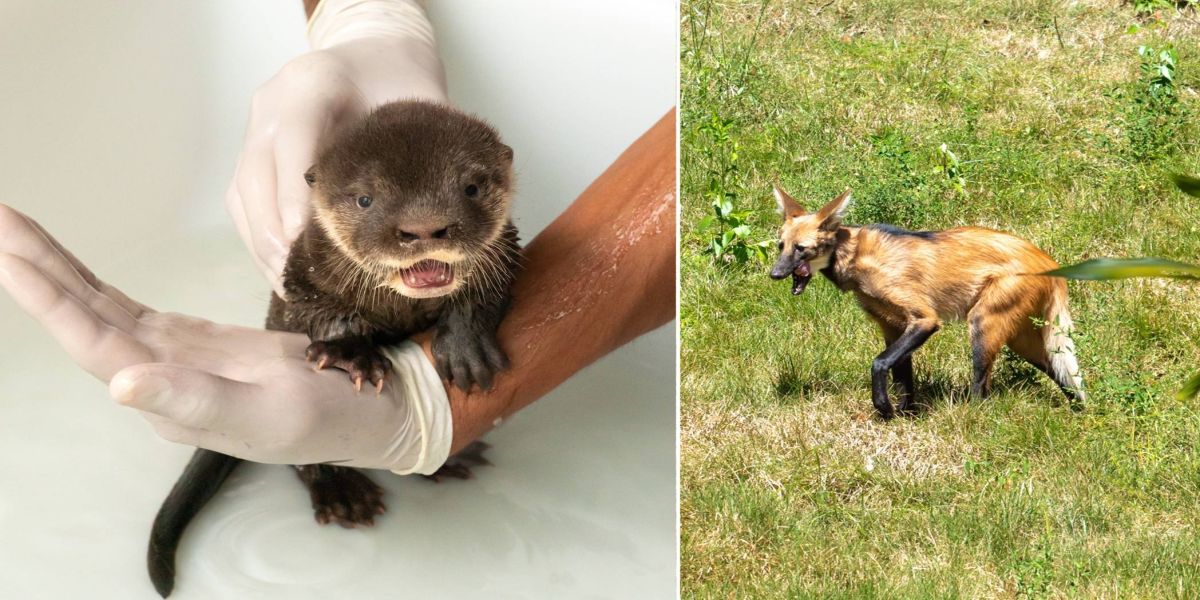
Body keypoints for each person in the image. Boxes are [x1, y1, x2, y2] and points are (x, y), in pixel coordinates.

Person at [0, 0, 674, 475]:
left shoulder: (489, 244)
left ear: (504, 172)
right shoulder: (324, 250)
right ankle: (325, 475)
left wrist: (444, 398)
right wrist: (366, 12)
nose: (425, 230)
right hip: (332, 326)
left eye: (468, 194)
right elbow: (305, 301)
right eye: (366, 204)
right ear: (319, 193)